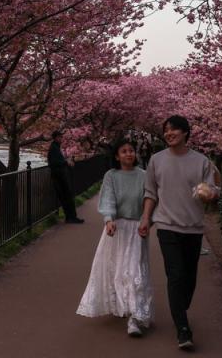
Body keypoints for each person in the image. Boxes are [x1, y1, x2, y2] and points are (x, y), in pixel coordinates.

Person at [138, 115, 219, 351]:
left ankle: (179, 308)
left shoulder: (202, 161)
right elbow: (150, 192)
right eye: (166, 130)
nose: (169, 133)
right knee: (175, 275)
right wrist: (146, 219)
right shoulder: (156, 160)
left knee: (189, 279)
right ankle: (183, 329)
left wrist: (210, 193)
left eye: (174, 130)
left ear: (185, 132)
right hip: (167, 226)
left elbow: (213, 189)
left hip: (193, 227)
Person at [77, 138, 153, 337]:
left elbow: (150, 199)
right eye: (124, 151)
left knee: (134, 270)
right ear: (117, 156)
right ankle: (119, 303)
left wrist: (147, 220)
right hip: (117, 228)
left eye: (131, 151)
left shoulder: (144, 176)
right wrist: (108, 219)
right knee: (116, 268)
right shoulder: (111, 176)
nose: (129, 154)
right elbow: (108, 197)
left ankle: (135, 317)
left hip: (137, 228)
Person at [48, 130, 84, 223]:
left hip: (59, 176)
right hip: (59, 176)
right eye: (60, 137)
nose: (61, 139)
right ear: (56, 137)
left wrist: (66, 162)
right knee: (67, 196)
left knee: (66, 197)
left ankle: (70, 217)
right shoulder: (53, 148)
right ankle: (71, 217)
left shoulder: (55, 147)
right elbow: (54, 162)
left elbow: (57, 161)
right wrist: (66, 162)